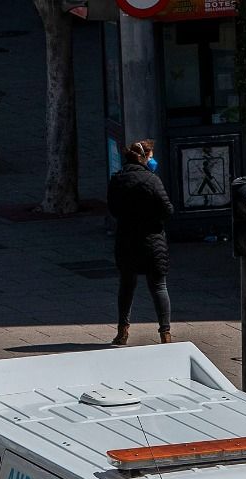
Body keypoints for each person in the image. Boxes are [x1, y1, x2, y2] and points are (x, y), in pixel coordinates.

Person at [107, 139, 174, 346]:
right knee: (159, 287)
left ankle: (122, 331)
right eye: (151, 157)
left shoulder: (117, 179)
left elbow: (113, 209)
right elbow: (168, 210)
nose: (153, 161)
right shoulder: (152, 180)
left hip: (126, 241)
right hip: (152, 241)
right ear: (144, 158)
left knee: (127, 285)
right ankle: (165, 333)